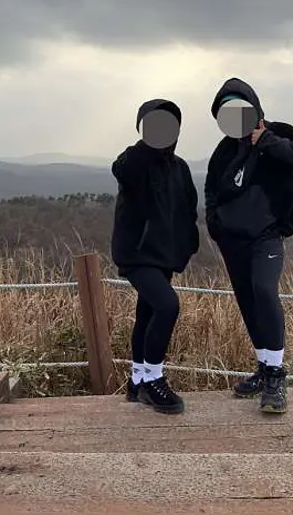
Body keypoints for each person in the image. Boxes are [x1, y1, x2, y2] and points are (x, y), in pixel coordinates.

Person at [205, 78, 293, 413]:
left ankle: (275, 375)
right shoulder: (225, 148)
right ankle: (263, 367)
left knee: (264, 291)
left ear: (254, 108)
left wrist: (268, 141)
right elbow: (212, 188)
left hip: (267, 236)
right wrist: (215, 224)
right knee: (248, 301)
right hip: (232, 240)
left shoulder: (279, 132)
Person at [111, 98, 199, 414]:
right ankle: (153, 379)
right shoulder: (134, 160)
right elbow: (122, 170)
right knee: (167, 305)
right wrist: (147, 144)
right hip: (136, 255)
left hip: (164, 256)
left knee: (147, 314)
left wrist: (187, 245)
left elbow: (188, 210)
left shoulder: (180, 168)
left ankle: (137, 380)